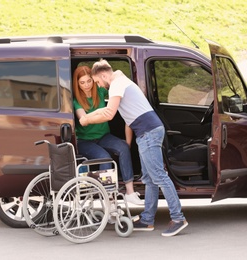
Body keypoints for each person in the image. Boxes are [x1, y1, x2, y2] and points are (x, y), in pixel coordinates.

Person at [79, 59, 188, 237]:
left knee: (159, 176)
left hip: (148, 132)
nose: (99, 85)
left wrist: (86, 120)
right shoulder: (121, 82)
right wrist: (128, 144)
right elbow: (125, 119)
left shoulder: (116, 85)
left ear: (104, 75)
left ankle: (178, 218)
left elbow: (108, 113)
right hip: (146, 132)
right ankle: (147, 220)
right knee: (149, 178)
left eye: (98, 81)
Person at [72, 65, 143, 205]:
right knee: (104, 159)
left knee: (123, 147)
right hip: (85, 141)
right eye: (82, 82)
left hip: (103, 136)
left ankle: (130, 192)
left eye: (89, 81)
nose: (86, 85)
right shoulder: (76, 100)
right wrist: (104, 113)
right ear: (77, 83)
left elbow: (115, 81)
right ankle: (108, 199)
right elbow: (83, 119)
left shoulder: (99, 90)